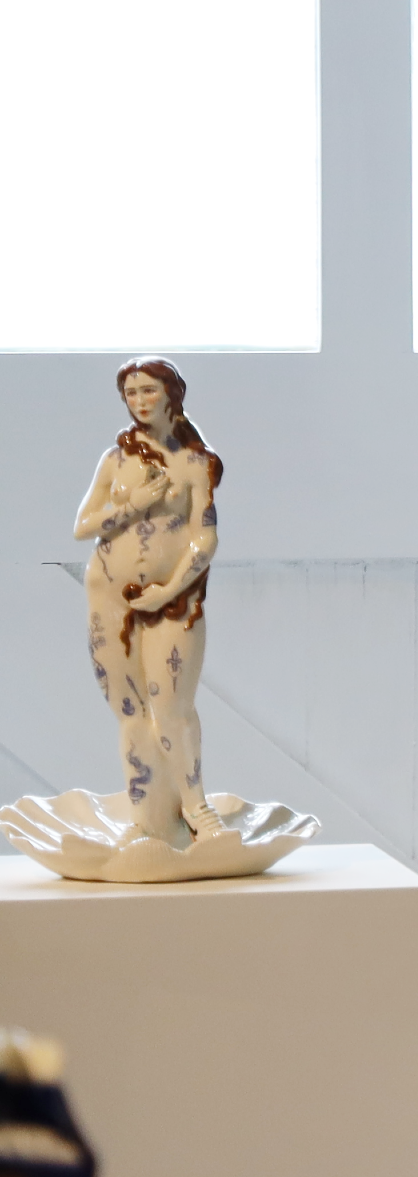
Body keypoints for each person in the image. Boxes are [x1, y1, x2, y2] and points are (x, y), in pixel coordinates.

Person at [75, 360, 224, 852]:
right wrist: (134, 503)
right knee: (129, 708)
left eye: (148, 391)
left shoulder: (195, 462)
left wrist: (172, 587)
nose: (139, 401)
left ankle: (196, 808)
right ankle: (148, 815)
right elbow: (84, 525)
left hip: (172, 600)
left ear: (171, 394)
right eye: (131, 392)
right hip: (109, 594)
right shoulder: (115, 461)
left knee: (172, 706)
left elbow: (205, 535)